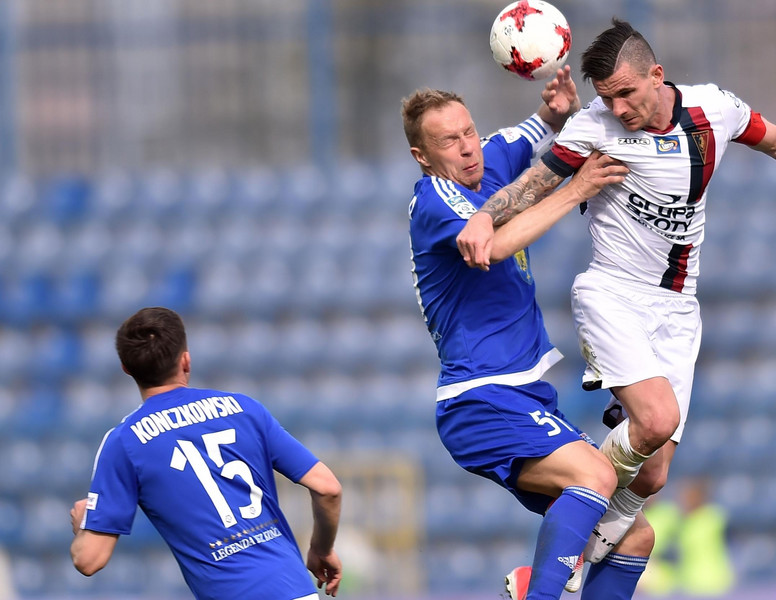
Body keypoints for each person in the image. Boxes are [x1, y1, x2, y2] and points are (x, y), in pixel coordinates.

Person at [456, 18, 776, 587]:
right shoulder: (593, 127)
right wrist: (481, 215)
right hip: (612, 293)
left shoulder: (712, 109)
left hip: (678, 308)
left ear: (658, 76)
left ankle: (577, 553)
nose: (618, 108)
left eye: (626, 93)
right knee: (657, 419)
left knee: (651, 479)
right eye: (607, 98)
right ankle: (556, 564)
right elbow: (531, 186)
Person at [403, 67, 647, 600]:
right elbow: (492, 244)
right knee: (595, 478)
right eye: (449, 141)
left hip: (523, 393)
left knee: (634, 537)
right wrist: (574, 187)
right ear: (423, 156)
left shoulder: (488, 155)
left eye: (469, 131)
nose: (468, 148)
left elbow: (531, 129)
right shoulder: (435, 201)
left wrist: (554, 111)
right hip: (481, 398)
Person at [69, 307, 343, 599]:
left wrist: (83, 527)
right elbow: (328, 488)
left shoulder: (124, 442)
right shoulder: (244, 409)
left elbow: (89, 560)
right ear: (186, 360)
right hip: (295, 590)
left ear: (126, 368)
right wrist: (320, 549)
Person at [638, 477, 734, 596]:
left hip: (713, 582)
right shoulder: (680, 520)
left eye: (689, 497)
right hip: (690, 583)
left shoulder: (713, 517)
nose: (683, 500)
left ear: (700, 497)